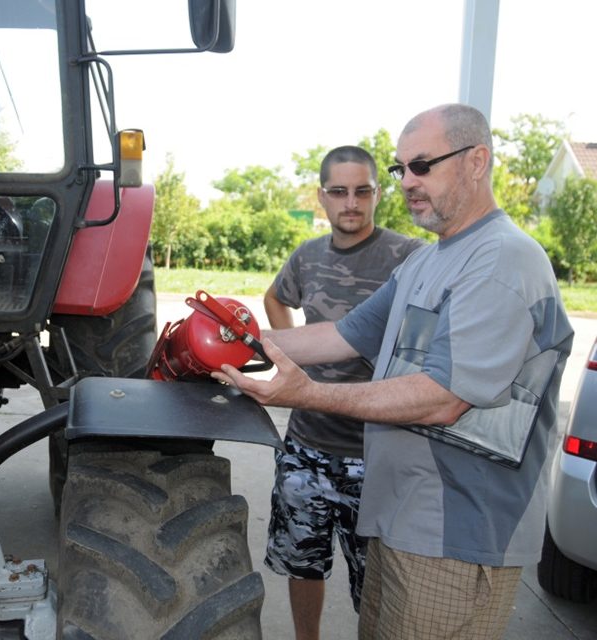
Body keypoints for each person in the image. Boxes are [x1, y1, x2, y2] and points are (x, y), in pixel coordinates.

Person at [216, 103, 574, 640]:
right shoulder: (426, 262)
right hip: (401, 520)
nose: (407, 181)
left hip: (455, 535)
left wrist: (307, 395)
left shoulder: (503, 260)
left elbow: (443, 397)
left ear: (477, 162)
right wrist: (226, 343)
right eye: (401, 168)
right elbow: (338, 335)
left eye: (423, 165)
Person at [262, 146, 423, 640]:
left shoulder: (410, 257)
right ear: (322, 197)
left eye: (362, 191)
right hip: (307, 445)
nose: (350, 203)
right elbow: (275, 297)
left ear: (378, 194)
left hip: (376, 452)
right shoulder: (307, 256)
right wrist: (290, 359)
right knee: (302, 563)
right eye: (338, 191)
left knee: (375, 587)